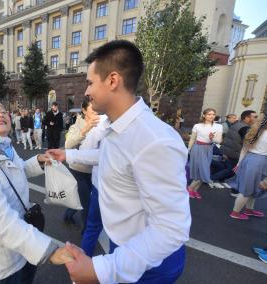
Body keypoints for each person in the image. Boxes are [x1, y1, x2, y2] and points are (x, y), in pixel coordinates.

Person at [48, 40, 191, 284]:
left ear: (113, 80)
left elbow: (171, 229)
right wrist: (68, 154)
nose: (86, 92)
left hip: (149, 261)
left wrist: (101, 270)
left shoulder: (154, 140)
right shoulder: (119, 127)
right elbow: (110, 159)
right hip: (126, 246)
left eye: (90, 83)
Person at [0, 99, 72, 283]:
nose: (0, 114)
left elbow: (17, 170)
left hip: (24, 236)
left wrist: (39, 160)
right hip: (4, 254)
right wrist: (49, 250)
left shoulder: (3, 146)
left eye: (2, 111)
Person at [63, 97, 99, 226]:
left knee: (79, 198)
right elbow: (68, 144)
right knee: (87, 204)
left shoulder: (102, 123)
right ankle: (87, 234)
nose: (96, 111)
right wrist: (86, 129)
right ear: (84, 110)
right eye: (92, 108)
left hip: (94, 171)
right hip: (78, 170)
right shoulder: (76, 126)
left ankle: (68, 215)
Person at [229, 114, 267, 220]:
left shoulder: (253, 131)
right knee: (248, 188)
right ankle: (235, 212)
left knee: (252, 187)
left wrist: (239, 163)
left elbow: (244, 149)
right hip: (260, 161)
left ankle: (249, 209)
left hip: (249, 159)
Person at [218, 110, 258, 193]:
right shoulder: (245, 128)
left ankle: (214, 179)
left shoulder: (238, 124)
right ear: (247, 118)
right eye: (255, 117)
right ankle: (212, 178)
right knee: (234, 171)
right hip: (235, 153)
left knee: (230, 170)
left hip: (230, 151)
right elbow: (249, 143)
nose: (256, 119)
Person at [187, 108, 223, 199]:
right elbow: (192, 139)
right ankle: (192, 189)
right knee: (200, 170)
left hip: (208, 149)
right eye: (209, 114)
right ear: (204, 115)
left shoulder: (218, 126)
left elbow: (219, 141)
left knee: (204, 170)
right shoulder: (197, 126)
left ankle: (192, 189)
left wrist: (212, 138)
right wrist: (188, 150)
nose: (211, 116)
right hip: (197, 148)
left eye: (213, 114)